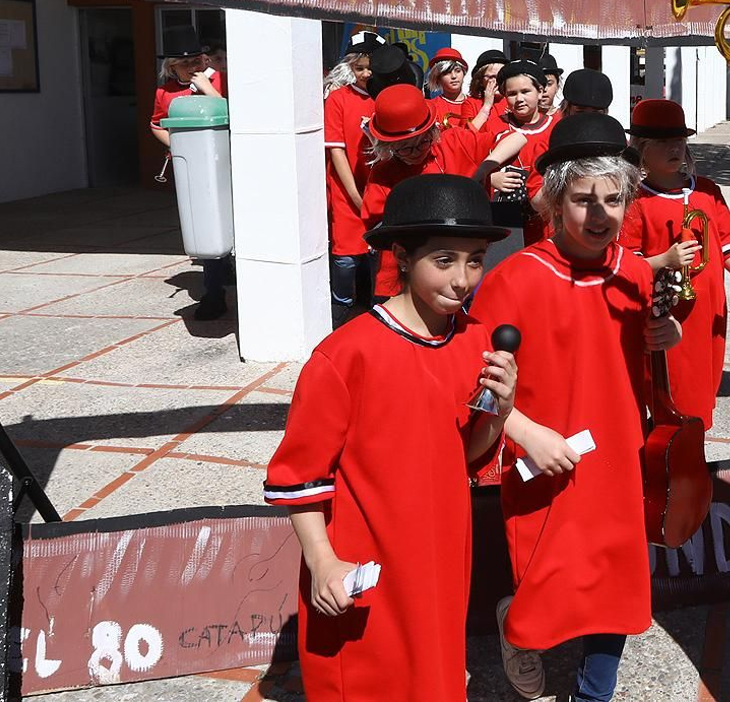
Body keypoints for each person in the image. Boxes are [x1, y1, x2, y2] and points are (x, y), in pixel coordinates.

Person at [264, 174, 518, 700]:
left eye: (475, 259)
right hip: (364, 559)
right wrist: (323, 560)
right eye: (444, 260)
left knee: (433, 677)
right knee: (368, 678)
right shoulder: (345, 354)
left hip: (442, 552)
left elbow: (463, 453)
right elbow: (298, 476)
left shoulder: (475, 339)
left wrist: (500, 409)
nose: (463, 278)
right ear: (402, 256)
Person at [470, 113, 681, 702]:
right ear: (554, 201)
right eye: (583, 199)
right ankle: (517, 630)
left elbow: (645, 368)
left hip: (617, 457)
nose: (599, 214)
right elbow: (473, 382)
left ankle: (595, 693)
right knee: (545, 578)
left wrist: (666, 340)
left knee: (614, 582)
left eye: (613, 200)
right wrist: (522, 429)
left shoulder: (636, 274)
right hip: (544, 459)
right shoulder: (513, 279)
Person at [621, 99, 730, 430]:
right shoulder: (637, 200)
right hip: (667, 310)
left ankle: (696, 433)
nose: (675, 149)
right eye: (663, 143)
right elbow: (627, 257)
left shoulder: (707, 191)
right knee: (671, 377)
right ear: (641, 150)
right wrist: (664, 260)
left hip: (709, 306)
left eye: (679, 142)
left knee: (706, 371)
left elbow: (727, 238)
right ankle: (671, 433)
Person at [361, 85, 527, 299]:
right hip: (408, 279)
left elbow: (516, 139)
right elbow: (376, 225)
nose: (416, 152)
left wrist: (483, 171)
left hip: (462, 270)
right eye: (405, 147)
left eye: (423, 142)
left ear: (432, 132)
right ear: (388, 146)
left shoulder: (454, 142)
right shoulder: (383, 173)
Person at [149, 23, 229, 319]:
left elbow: (233, 114)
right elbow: (156, 123)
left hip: (226, 161)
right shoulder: (165, 91)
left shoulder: (219, 79)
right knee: (205, 225)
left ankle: (226, 269)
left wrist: (208, 89)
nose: (192, 68)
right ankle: (213, 291)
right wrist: (178, 145)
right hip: (193, 166)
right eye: (185, 64)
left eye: (196, 61)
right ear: (172, 66)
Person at [323, 44, 377, 326]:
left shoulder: (383, 97)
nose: (367, 73)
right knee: (346, 256)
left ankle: (368, 304)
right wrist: (356, 196)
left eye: (371, 67)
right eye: (360, 68)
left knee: (376, 254)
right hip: (347, 188)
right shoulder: (338, 99)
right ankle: (340, 306)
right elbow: (336, 149)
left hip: (379, 185)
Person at [481, 59, 559, 245]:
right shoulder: (493, 126)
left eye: (525, 91)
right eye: (512, 94)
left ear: (540, 91)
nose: (519, 99)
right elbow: (472, 165)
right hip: (504, 219)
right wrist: (490, 179)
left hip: (545, 220)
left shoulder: (556, 128)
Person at [470, 49, 510, 122]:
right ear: (480, 81)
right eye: (492, 77)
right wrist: (487, 105)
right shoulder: (471, 104)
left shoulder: (514, 100)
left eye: (501, 76)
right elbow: (467, 133)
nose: (498, 81)